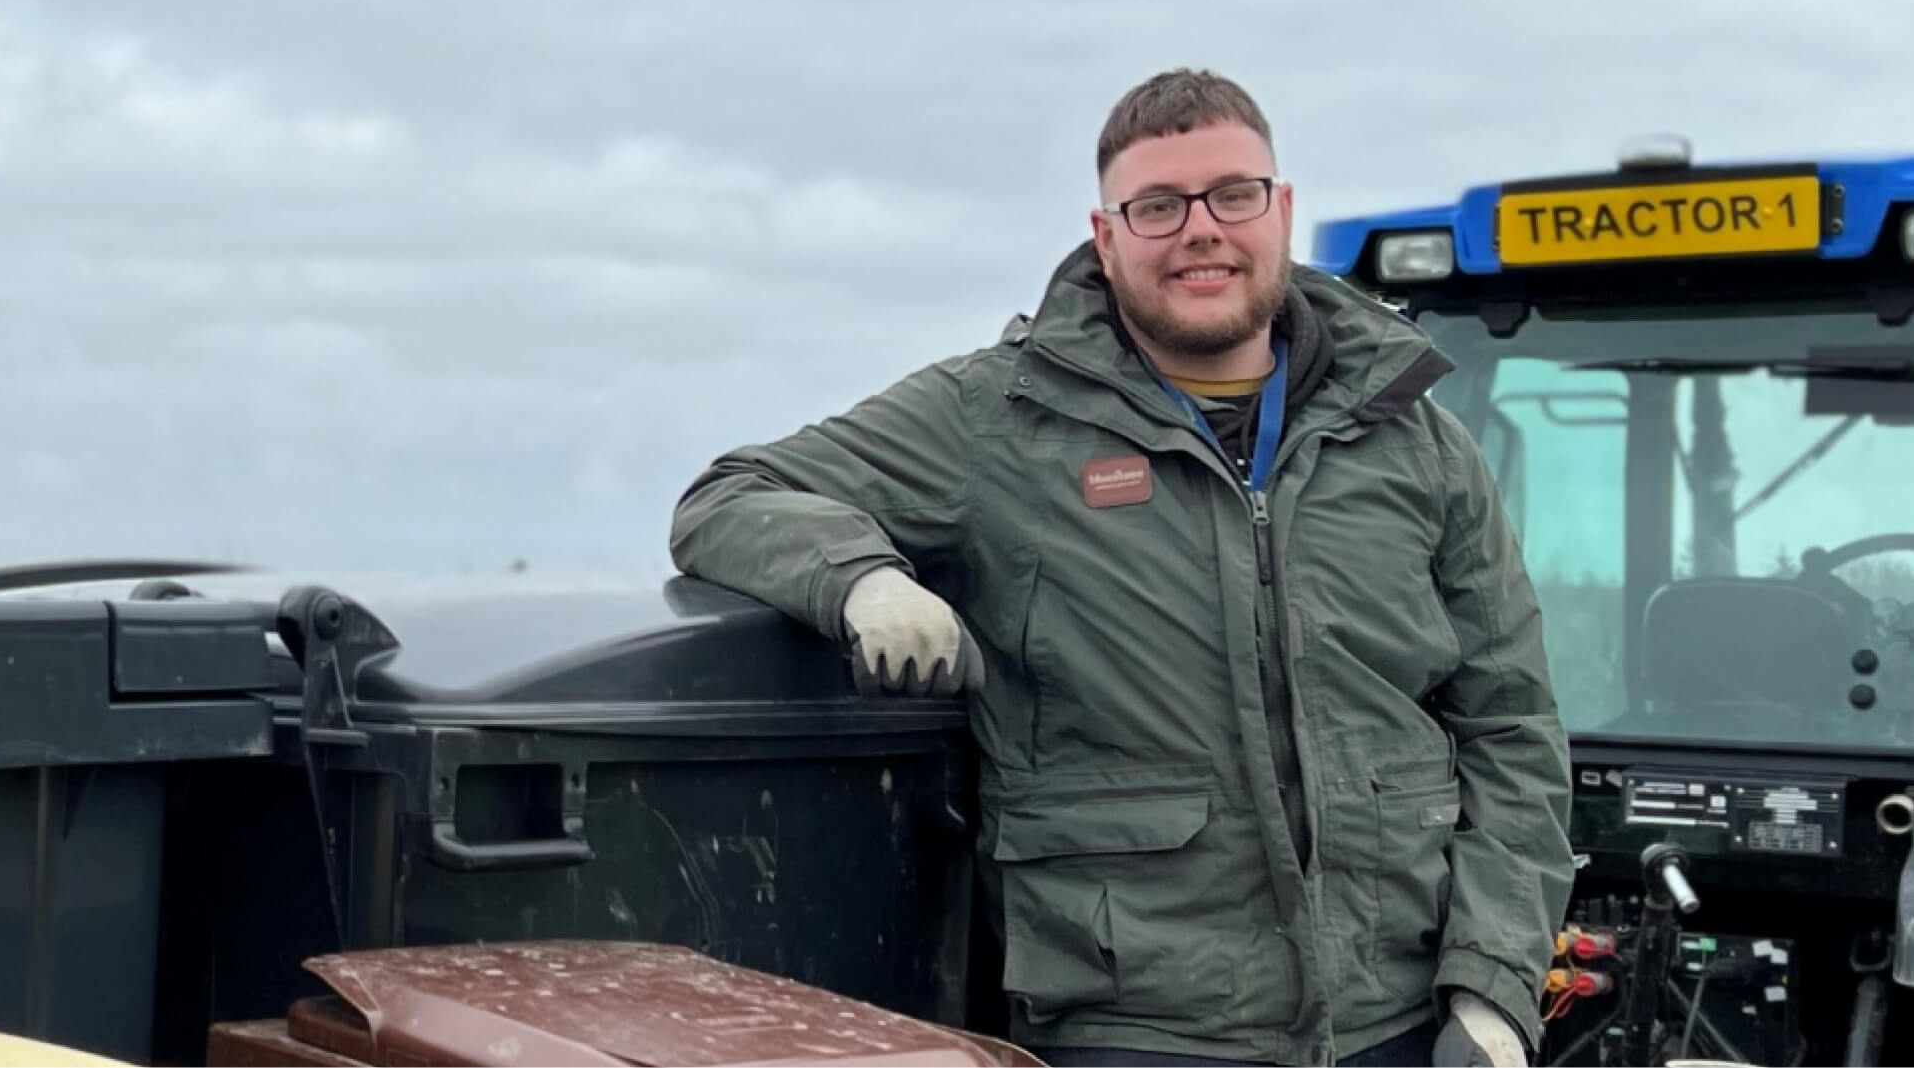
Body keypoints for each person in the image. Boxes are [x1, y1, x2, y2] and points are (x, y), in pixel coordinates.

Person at [667, 68, 1574, 1067]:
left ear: (1280, 212)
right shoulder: (998, 420)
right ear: (1106, 237)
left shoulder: (1417, 441)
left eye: (1233, 195)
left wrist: (1490, 990)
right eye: (1158, 206)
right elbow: (731, 495)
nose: (1201, 229)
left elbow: (1509, 727)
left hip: (1395, 1026)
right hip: (1135, 1031)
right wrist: (858, 578)